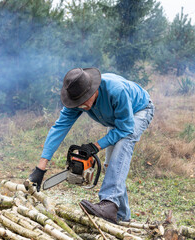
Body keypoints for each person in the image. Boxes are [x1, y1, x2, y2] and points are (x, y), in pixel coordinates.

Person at [27, 67, 154, 223]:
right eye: (78, 103)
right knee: (112, 165)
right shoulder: (77, 100)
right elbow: (59, 127)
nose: (82, 105)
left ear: (93, 90)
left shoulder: (116, 90)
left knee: (122, 146)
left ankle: (109, 203)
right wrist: (40, 168)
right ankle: (121, 216)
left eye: (84, 100)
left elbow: (126, 128)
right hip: (118, 120)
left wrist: (96, 146)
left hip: (138, 110)